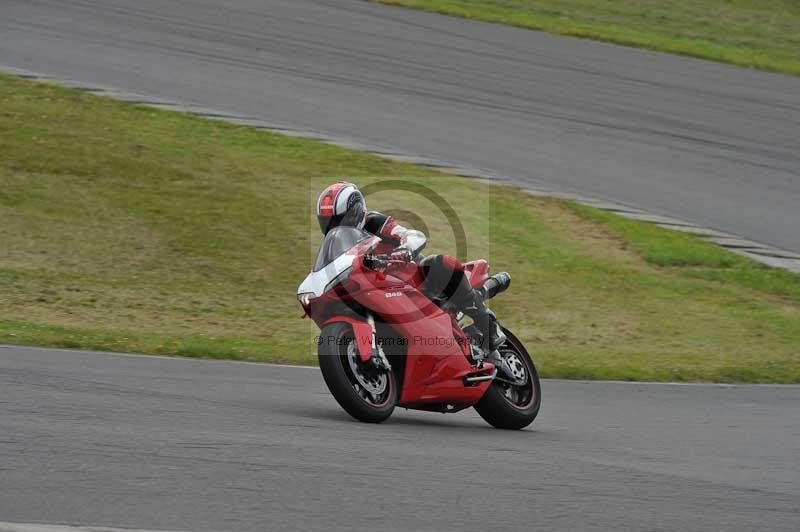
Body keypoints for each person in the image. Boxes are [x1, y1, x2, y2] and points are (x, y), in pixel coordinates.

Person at [315, 181, 506, 361]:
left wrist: (405, 249)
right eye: (330, 222)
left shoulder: (374, 222)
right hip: (377, 290)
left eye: (341, 219)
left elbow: (412, 235)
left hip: (412, 278)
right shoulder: (335, 245)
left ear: (357, 211)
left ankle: (488, 325)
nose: (337, 226)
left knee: (442, 263)